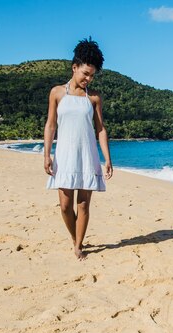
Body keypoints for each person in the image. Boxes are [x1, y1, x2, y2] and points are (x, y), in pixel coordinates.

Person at [44, 39, 113, 260]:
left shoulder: (93, 98)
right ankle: (75, 238)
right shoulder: (57, 93)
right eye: (85, 73)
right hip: (64, 156)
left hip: (88, 156)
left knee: (83, 205)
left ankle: (78, 245)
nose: (88, 79)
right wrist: (46, 154)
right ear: (74, 68)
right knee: (65, 206)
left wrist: (107, 159)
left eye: (92, 75)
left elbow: (100, 129)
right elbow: (51, 124)